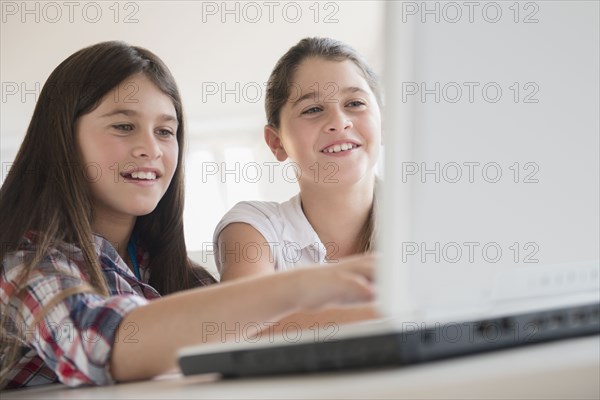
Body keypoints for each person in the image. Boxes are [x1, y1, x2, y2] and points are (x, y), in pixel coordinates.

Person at [0, 41, 375, 389]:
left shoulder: (173, 274)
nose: (151, 148)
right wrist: (308, 285)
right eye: (123, 126)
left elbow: (250, 339)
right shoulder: (24, 264)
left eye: (165, 131)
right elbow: (101, 342)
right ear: (62, 138)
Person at [213, 37, 382, 329]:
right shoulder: (255, 227)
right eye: (313, 109)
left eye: (355, 103)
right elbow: (245, 329)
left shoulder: (427, 214)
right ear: (276, 142)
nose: (339, 121)